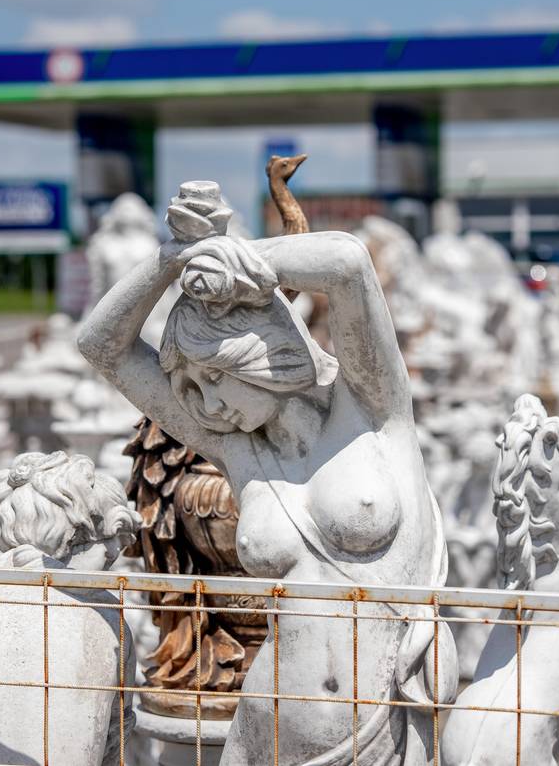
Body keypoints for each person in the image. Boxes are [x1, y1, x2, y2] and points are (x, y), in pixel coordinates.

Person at [78, 181, 456, 764]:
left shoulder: (372, 409)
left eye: (213, 377)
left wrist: (223, 258)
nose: (205, 405)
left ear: (256, 351)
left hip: (383, 729)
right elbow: (101, 345)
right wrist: (172, 258)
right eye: (190, 389)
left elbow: (348, 263)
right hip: (262, 731)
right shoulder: (236, 449)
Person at [0, 452, 139, 766]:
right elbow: (112, 745)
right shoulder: (106, 626)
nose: (113, 558)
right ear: (74, 538)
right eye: (109, 548)